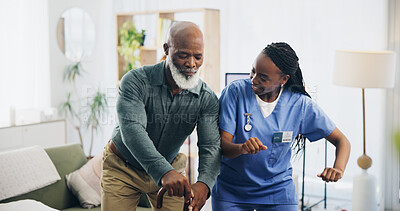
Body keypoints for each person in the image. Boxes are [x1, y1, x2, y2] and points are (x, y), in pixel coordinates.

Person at [211, 42, 351, 211]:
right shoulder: (235, 92)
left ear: (284, 79)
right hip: (232, 191)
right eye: (253, 71)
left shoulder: (299, 105)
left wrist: (338, 168)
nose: (253, 80)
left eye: (263, 77)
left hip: (277, 192)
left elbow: (342, 140)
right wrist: (242, 148)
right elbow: (221, 146)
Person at [101, 21, 221, 211]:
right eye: (183, 55)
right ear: (166, 48)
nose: (192, 64)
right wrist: (163, 171)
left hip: (170, 166)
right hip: (123, 167)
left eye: (198, 57)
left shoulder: (206, 98)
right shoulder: (135, 81)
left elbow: (210, 146)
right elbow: (133, 129)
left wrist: (204, 184)